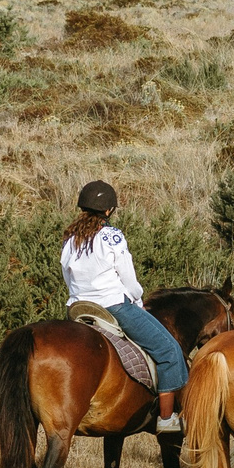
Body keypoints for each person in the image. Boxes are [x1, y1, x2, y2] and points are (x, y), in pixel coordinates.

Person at [60, 180, 187, 432]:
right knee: (169, 351)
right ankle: (166, 419)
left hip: (78, 308)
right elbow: (127, 276)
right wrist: (137, 298)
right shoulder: (112, 235)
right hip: (113, 307)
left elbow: (67, 274)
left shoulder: (70, 238)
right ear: (108, 211)